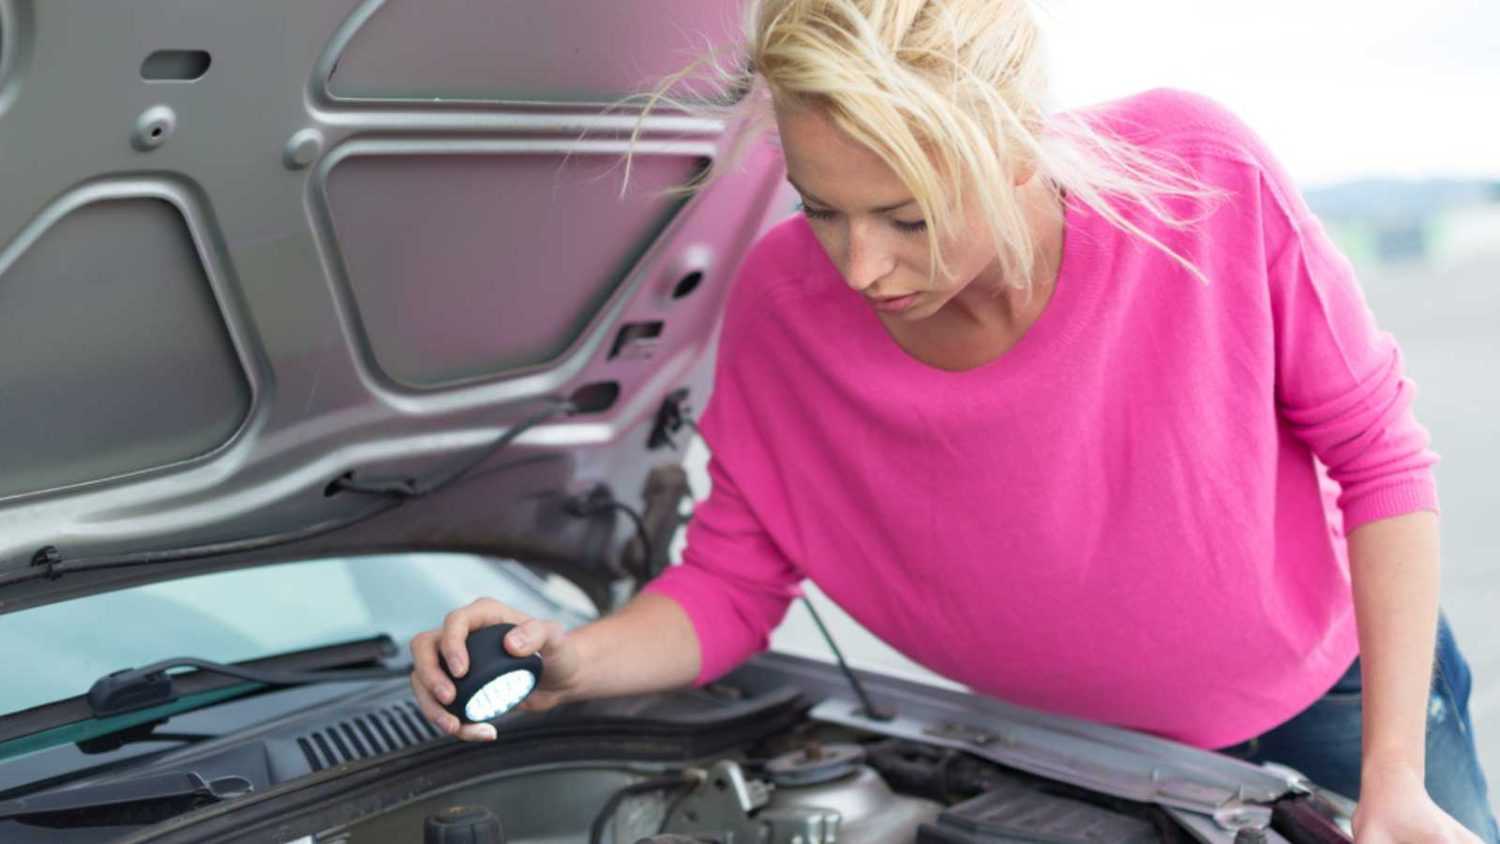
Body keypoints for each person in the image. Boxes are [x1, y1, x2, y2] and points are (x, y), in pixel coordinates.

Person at [409, 1, 1498, 841]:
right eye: (818, 207)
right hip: (1071, 757)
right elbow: (733, 585)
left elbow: (1381, 458)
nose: (860, 265)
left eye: (907, 215)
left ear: (1012, 142)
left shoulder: (1198, 179)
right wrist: (572, 660)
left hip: (1345, 706)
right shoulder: (782, 305)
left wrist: (1393, 781)